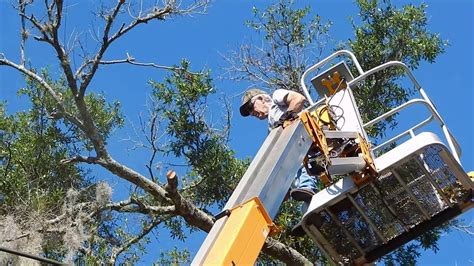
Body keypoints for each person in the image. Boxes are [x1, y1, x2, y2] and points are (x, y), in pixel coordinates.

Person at [239, 88, 319, 202]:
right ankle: (306, 193)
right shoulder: (272, 129)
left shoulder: (277, 97)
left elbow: (298, 99)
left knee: (299, 160)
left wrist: (287, 118)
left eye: (251, 107)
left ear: (261, 99)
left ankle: (307, 187)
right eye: (249, 112)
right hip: (300, 149)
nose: (252, 113)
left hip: (306, 136)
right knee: (291, 164)